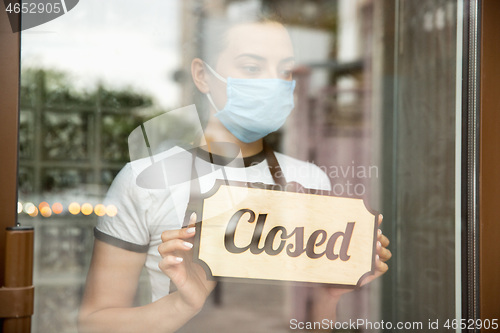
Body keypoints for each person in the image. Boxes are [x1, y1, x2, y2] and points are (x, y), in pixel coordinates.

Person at [78, 16, 391, 333]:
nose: (273, 83)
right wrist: (183, 304)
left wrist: (327, 297)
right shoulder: (145, 181)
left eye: (284, 71)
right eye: (252, 68)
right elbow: (94, 323)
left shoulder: (311, 181)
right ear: (202, 75)